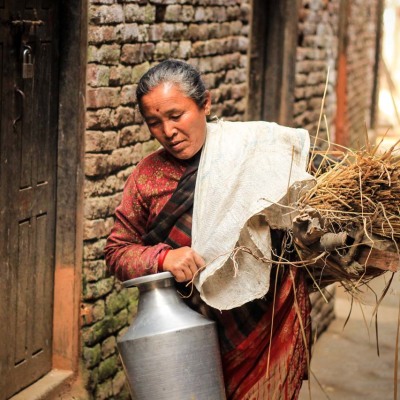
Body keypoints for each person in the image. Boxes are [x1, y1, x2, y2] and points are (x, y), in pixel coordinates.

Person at [104, 59, 311, 400]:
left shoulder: (250, 150)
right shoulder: (148, 177)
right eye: (154, 122)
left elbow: (304, 202)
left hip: (265, 321)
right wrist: (162, 258)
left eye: (176, 115)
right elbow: (116, 252)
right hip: (188, 333)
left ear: (205, 104)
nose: (168, 131)